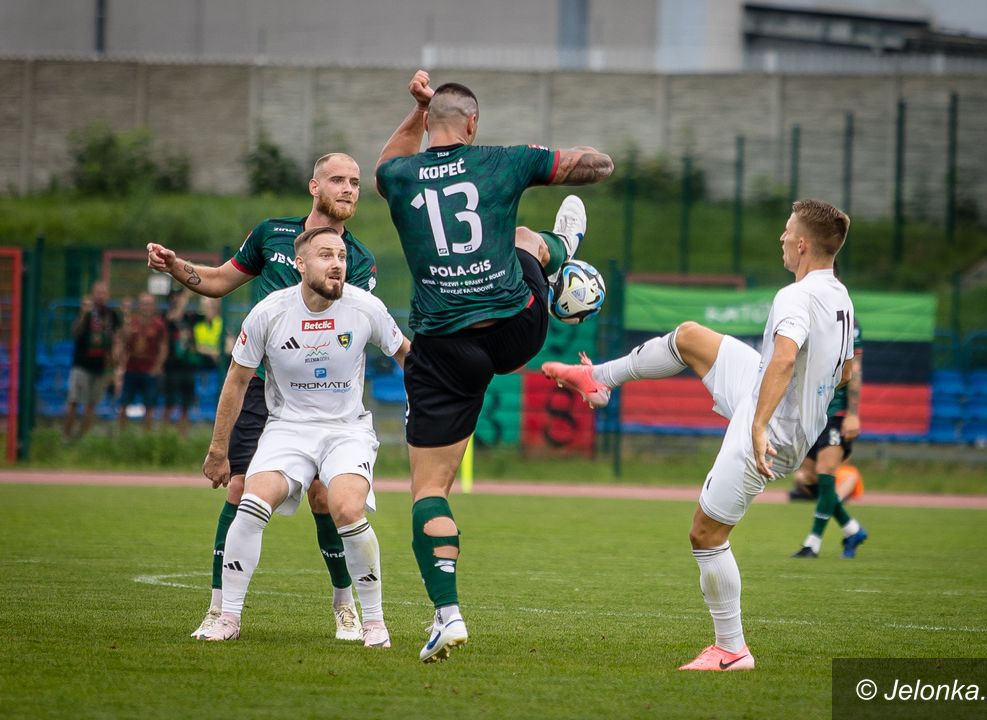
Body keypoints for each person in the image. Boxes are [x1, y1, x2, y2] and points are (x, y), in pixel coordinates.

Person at [543, 199, 855, 671]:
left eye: (787, 231)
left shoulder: (795, 297)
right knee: (690, 337)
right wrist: (806, 397)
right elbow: (845, 370)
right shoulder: (839, 296)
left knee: (706, 533)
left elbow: (786, 356)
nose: (782, 237)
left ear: (802, 245)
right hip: (774, 403)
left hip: (770, 426)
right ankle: (598, 379)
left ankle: (731, 649)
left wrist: (758, 424)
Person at [374, 69, 613, 662]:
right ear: (473, 124)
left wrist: (417, 109)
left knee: (430, 489)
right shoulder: (504, 161)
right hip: (518, 329)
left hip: (443, 348)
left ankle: (447, 614)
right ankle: (562, 250)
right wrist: (564, 162)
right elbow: (597, 165)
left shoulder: (399, 176)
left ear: (430, 122)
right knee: (525, 238)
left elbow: (386, 162)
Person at [147, 152, 383, 644]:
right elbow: (217, 281)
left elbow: (351, 319)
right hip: (261, 383)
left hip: (320, 394)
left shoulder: (356, 259)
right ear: (313, 186)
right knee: (239, 490)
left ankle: (345, 604)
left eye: (355, 182)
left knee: (326, 498)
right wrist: (176, 267)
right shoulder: (272, 234)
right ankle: (220, 611)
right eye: (337, 180)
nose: (348, 189)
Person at [195, 226, 408, 643]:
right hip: (287, 429)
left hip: (346, 430)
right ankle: (228, 618)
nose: (337, 264)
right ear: (300, 264)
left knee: (346, 508)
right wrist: (218, 449)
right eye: (326, 256)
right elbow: (236, 380)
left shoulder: (365, 307)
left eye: (342, 256)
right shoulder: (270, 312)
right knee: (252, 502)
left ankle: (373, 622)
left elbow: (407, 355)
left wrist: (424, 408)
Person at [790, 313, 867, 559]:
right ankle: (852, 529)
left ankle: (812, 544)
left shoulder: (847, 321)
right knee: (806, 477)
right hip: (813, 410)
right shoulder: (804, 316)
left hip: (837, 412)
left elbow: (854, 368)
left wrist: (852, 414)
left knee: (825, 472)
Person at [63, 281, 122, 440]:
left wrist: (115, 365)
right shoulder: (86, 312)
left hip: (101, 366)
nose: (101, 296)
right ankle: (66, 437)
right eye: (98, 293)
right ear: (92, 294)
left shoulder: (112, 315)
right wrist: (83, 314)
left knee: (91, 404)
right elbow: (75, 332)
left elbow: (117, 339)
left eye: (104, 293)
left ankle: (83, 438)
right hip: (81, 364)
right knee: (73, 401)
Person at [116, 292, 168, 432]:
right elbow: (122, 341)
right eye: (144, 304)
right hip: (131, 369)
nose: (146, 307)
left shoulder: (159, 325)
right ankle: (121, 436)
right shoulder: (131, 322)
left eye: (149, 304)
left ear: (154, 306)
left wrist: (157, 367)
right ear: (139, 305)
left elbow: (163, 348)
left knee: (149, 407)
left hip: (149, 371)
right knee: (123, 405)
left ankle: (147, 437)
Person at [161, 289, 203, 438]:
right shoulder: (166, 315)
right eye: (176, 297)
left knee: (186, 405)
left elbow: (209, 315)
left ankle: (182, 438)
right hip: (172, 367)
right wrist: (185, 296)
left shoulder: (189, 317)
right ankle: (163, 436)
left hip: (188, 367)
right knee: (170, 403)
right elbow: (174, 317)